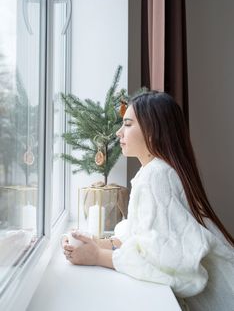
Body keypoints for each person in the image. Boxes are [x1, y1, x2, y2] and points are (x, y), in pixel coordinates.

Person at [63, 91, 234, 311]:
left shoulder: (157, 175)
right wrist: (93, 243)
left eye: (128, 124)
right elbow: (140, 236)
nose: (118, 133)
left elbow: (166, 262)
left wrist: (97, 256)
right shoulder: (158, 170)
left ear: (152, 131)